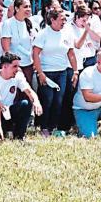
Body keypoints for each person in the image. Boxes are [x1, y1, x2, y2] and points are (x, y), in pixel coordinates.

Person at [32, 9, 77, 137]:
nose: (64, 22)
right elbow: (35, 53)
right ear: (52, 20)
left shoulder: (67, 34)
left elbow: (71, 54)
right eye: (61, 19)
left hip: (61, 72)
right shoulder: (43, 34)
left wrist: (75, 71)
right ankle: (44, 126)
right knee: (48, 99)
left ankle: (53, 127)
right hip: (46, 72)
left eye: (65, 19)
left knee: (58, 101)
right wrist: (40, 73)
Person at [0, 52, 41, 140]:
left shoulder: (18, 76)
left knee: (26, 103)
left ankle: (19, 136)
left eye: (18, 66)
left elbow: (29, 91)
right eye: (14, 66)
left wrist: (36, 101)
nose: (18, 69)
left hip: (9, 111)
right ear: (5, 66)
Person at [0, 0, 36, 84]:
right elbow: (6, 49)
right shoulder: (8, 23)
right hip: (14, 66)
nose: (28, 9)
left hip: (28, 64)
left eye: (29, 7)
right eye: (25, 7)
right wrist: (15, 66)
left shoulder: (31, 23)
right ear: (16, 8)